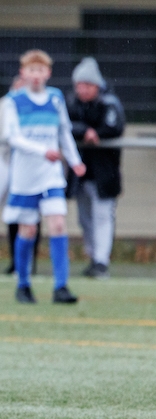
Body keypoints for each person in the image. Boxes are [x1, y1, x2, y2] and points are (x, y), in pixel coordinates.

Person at [0, 49, 85, 304]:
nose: (36, 75)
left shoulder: (56, 99)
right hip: (25, 178)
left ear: (48, 73)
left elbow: (64, 132)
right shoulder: (13, 101)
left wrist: (75, 161)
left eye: (40, 70)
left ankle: (61, 287)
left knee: (58, 223)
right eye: (31, 70)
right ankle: (23, 285)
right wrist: (43, 151)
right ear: (23, 73)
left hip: (51, 175)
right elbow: (14, 138)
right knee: (27, 230)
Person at [66, 57, 125, 280]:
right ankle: (93, 256)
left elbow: (113, 126)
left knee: (103, 217)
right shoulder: (72, 103)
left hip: (104, 173)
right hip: (81, 173)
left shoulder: (109, 103)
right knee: (84, 219)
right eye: (79, 85)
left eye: (87, 85)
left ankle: (101, 261)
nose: (82, 90)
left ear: (97, 85)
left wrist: (96, 133)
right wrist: (85, 131)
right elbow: (65, 125)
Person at [0, 75, 39, 275]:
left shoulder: (37, 104)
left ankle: (30, 262)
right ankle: (16, 261)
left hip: (31, 169)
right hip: (9, 167)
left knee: (31, 217)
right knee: (13, 216)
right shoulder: (6, 104)